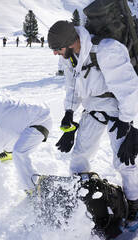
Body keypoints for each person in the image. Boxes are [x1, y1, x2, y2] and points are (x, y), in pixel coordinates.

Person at [47, 20, 138, 220]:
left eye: (57, 48)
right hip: (92, 109)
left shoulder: (107, 50)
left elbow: (129, 88)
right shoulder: (69, 57)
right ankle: (83, 198)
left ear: (72, 42)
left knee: (124, 162)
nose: (55, 53)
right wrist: (69, 113)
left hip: (117, 109)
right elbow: (72, 86)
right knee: (79, 158)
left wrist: (127, 121)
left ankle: (134, 206)